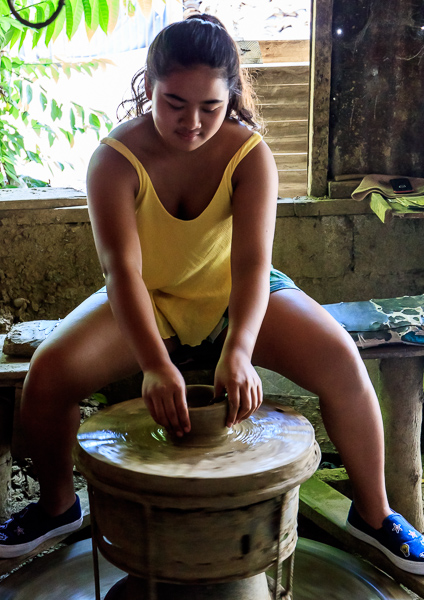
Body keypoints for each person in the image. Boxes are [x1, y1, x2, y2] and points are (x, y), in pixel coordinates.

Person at [0, 14, 423, 575]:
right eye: (174, 103)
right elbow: (121, 273)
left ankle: (374, 515)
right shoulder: (114, 160)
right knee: (49, 373)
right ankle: (57, 508)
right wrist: (153, 363)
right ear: (149, 86)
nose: (192, 123)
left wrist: (239, 349)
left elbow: (251, 265)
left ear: (232, 96)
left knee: (342, 362)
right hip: (149, 295)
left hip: (237, 292)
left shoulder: (249, 155)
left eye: (210, 107)